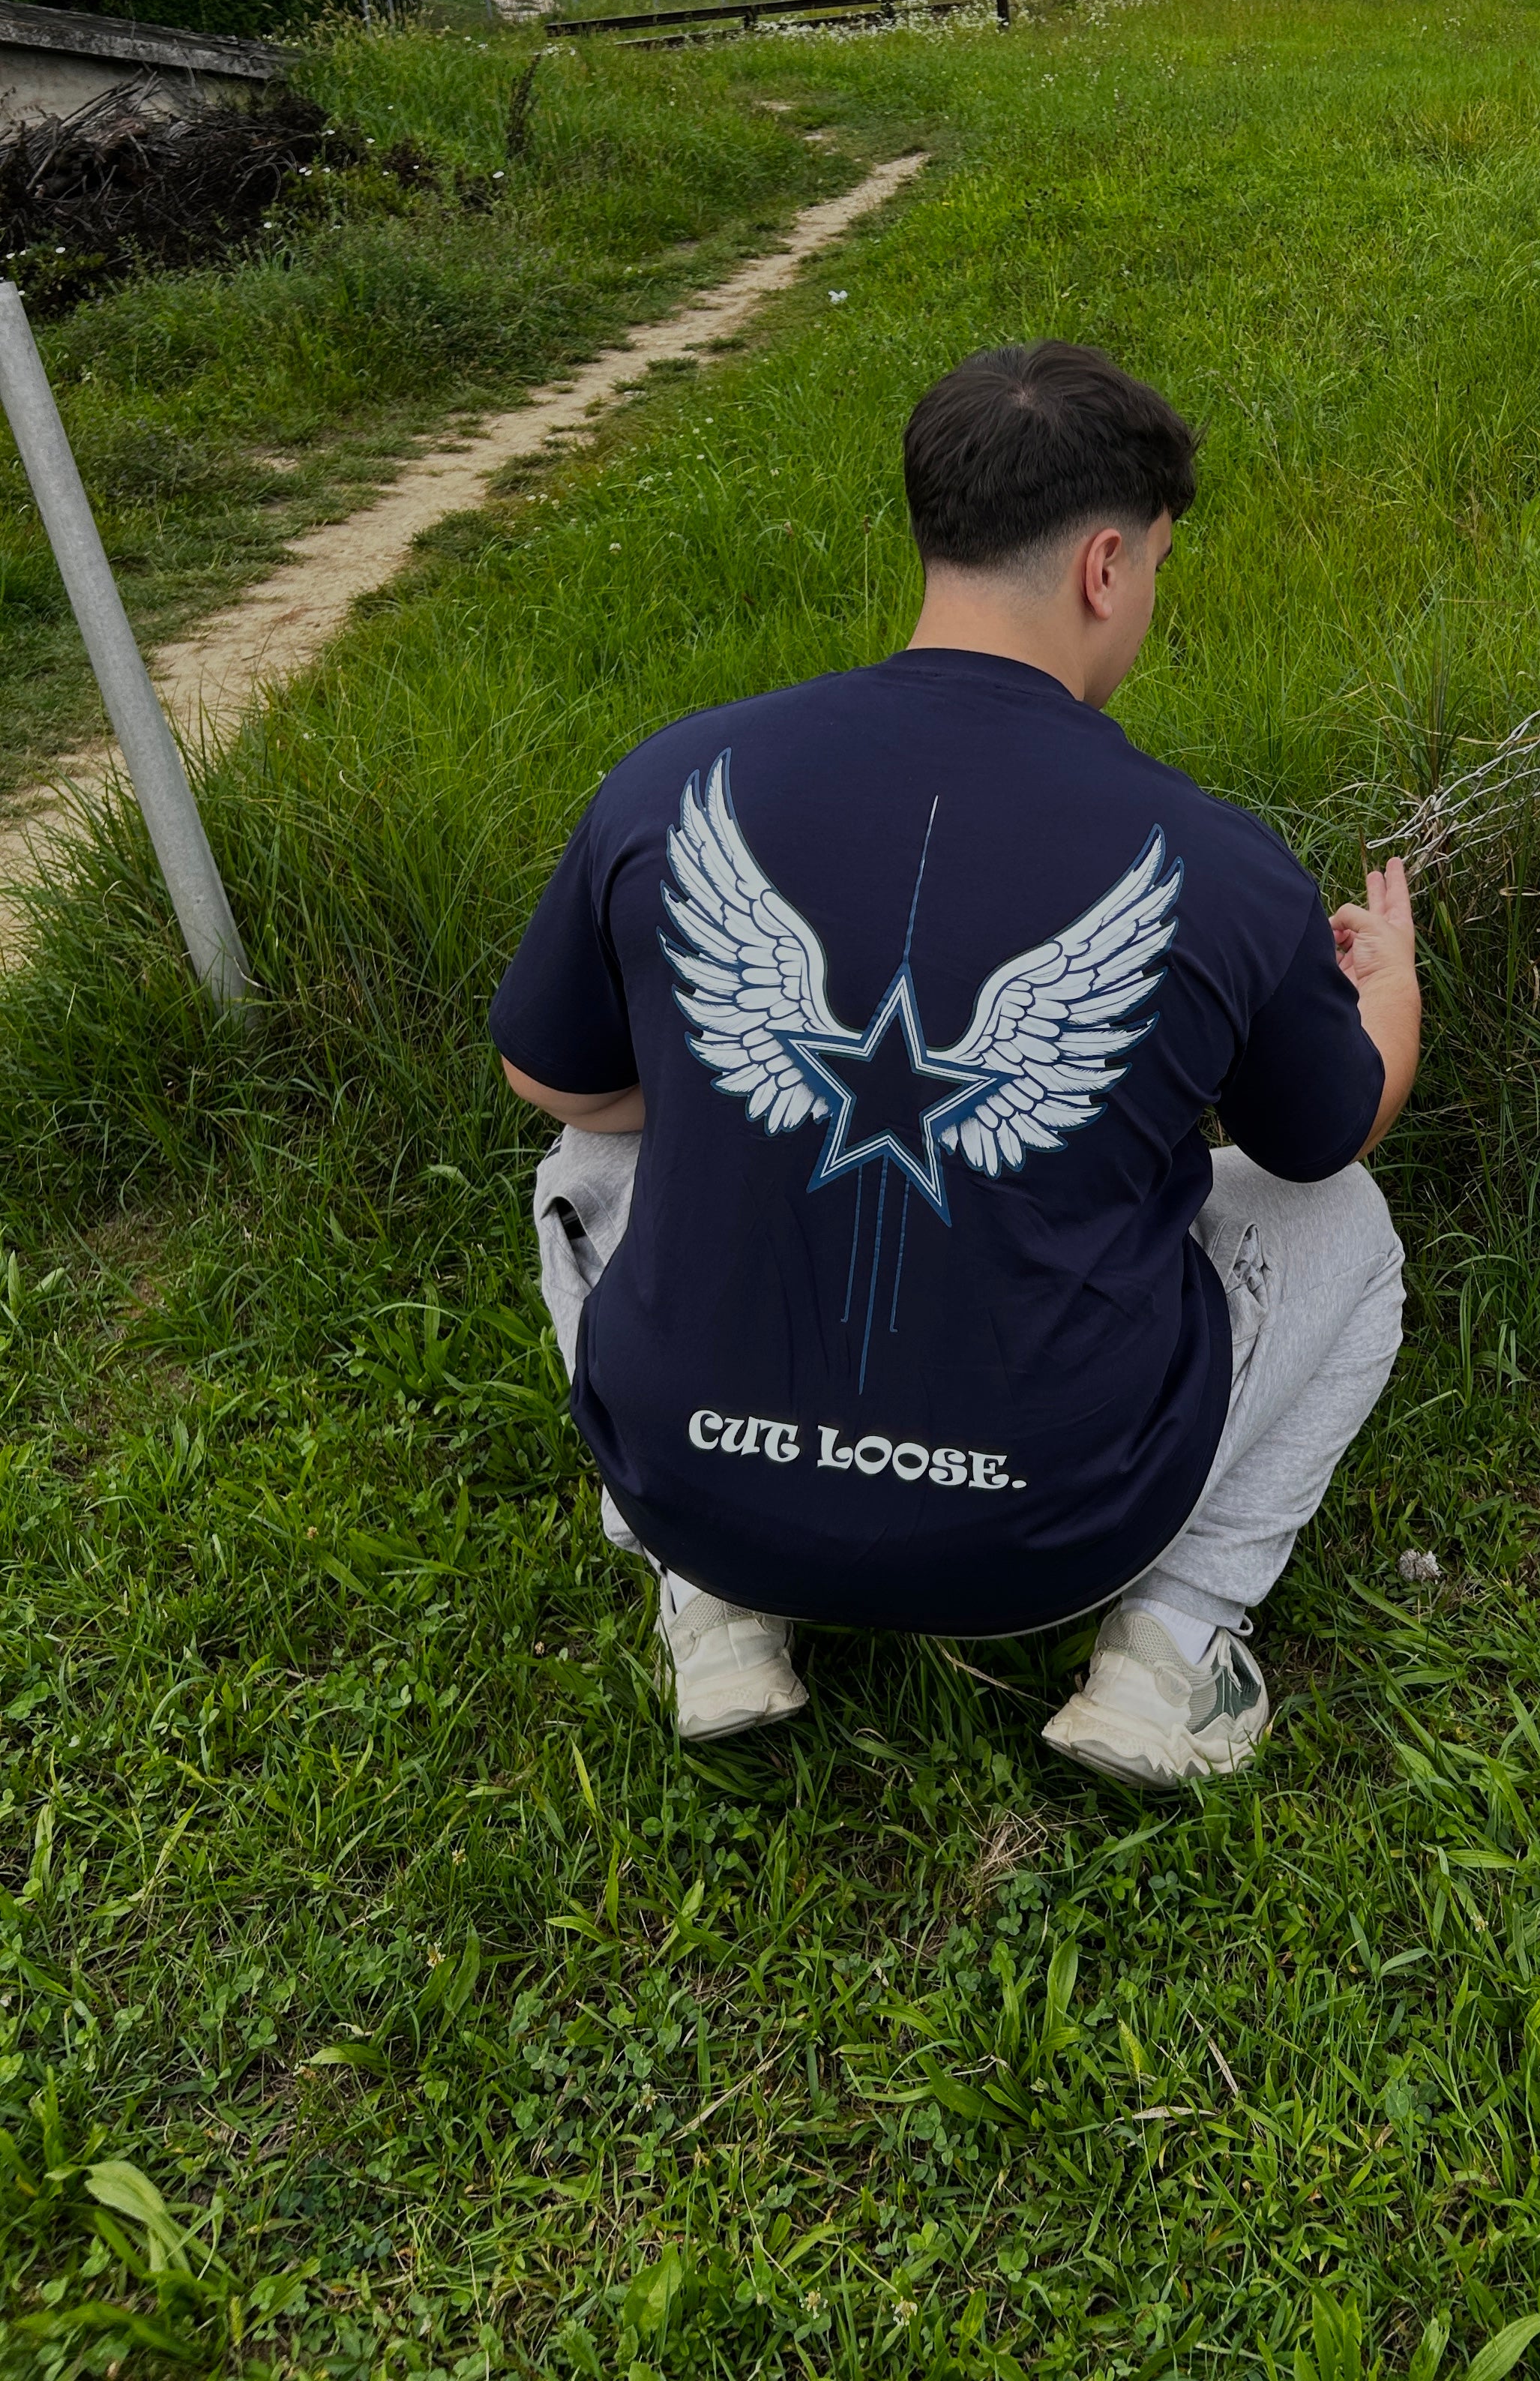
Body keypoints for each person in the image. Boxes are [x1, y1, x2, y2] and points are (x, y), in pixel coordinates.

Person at [490, 343, 1419, 1788]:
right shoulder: (1217, 864)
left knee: (585, 1161)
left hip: (701, 1491)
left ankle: (716, 1602)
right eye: (1159, 566)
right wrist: (1395, 992)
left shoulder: (676, 781)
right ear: (1106, 565)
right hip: (1045, 1538)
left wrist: (735, 1107)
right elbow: (1323, 1141)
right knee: (1348, 1232)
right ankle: (1167, 1655)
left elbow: (552, 1081)